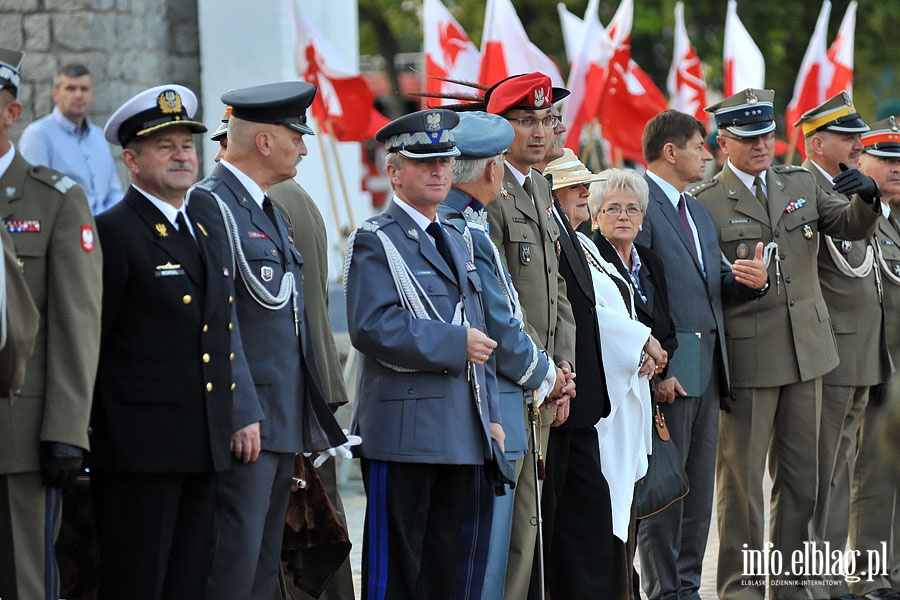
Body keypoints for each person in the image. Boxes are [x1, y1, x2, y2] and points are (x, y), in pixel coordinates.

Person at [691, 88, 883, 600]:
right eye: (749, 138)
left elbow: (849, 227)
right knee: (743, 486)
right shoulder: (705, 202)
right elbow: (701, 282)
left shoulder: (796, 182)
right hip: (752, 357)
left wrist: (868, 197)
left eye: (767, 135)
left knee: (804, 481)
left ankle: (796, 588)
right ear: (723, 142)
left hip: (809, 354)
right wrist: (733, 283)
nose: (761, 145)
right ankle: (741, 589)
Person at [90, 84, 260, 599]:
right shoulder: (112, 233)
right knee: (139, 582)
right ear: (131, 160)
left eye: (187, 144)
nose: (182, 155)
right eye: (165, 146)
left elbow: (218, 332)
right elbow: (91, 343)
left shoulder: (202, 228)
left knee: (188, 582)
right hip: (139, 450)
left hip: (201, 443)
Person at [187, 81, 347, 600]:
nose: (303, 146)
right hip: (247, 422)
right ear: (263, 142)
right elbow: (215, 319)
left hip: (279, 421)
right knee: (230, 567)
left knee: (261, 567)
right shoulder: (211, 206)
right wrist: (239, 407)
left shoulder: (267, 209)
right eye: (295, 135)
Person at [343, 108, 502, 599]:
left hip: (460, 429)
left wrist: (491, 414)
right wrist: (454, 344)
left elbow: (480, 328)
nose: (439, 171)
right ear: (394, 172)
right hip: (405, 432)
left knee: (445, 569)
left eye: (445, 161)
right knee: (396, 572)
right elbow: (372, 326)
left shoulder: (457, 236)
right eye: (424, 161)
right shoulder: (377, 239)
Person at [634, 109, 768, 600]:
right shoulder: (639, 205)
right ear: (671, 152)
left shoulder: (695, 211)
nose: (707, 154)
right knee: (666, 487)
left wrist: (748, 283)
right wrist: (655, 369)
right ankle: (665, 590)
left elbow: (714, 282)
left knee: (696, 488)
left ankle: (688, 586)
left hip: (709, 362)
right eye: (699, 145)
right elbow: (637, 290)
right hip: (670, 362)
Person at [437, 111, 561, 600]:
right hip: (496, 408)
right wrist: (548, 374)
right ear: (492, 171)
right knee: (485, 560)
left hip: (496, 405)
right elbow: (503, 327)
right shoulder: (464, 230)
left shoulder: (464, 224)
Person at [0, 46, 103, 600]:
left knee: (26, 583)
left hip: (19, 437)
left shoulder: (55, 200)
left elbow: (76, 325)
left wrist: (65, 432)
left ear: (12, 113)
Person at [482, 72, 577, 600]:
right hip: (508, 381)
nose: (539, 132)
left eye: (547, 120)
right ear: (498, 126)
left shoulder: (541, 186)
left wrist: (563, 370)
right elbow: (495, 302)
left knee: (530, 522)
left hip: (543, 381)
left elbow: (555, 286)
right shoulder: (489, 191)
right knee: (509, 525)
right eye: (525, 121)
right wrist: (542, 375)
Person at [793, 93, 892, 600]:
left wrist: (869, 196)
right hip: (828, 350)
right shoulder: (802, 185)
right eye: (847, 138)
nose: (858, 145)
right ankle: (818, 582)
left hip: (863, 351)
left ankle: (836, 581)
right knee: (821, 473)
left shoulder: (847, 187)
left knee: (842, 471)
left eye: (857, 137)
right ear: (816, 142)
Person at [581, 165, 675, 598]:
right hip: (610, 399)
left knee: (640, 502)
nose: (623, 216)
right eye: (613, 208)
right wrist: (640, 346)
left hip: (649, 388)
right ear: (595, 215)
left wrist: (663, 364)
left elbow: (666, 325)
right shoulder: (590, 257)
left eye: (632, 209)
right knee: (612, 505)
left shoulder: (649, 260)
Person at [848, 118, 900, 600]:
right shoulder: (859, 216)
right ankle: (870, 575)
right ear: (860, 161)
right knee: (874, 474)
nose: (896, 169)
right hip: (877, 360)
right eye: (886, 159)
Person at [19, 63, 123, 214]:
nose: (78, 95)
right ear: (55, 94)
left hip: (106, 230)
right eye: (71, 88)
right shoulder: (38, 135)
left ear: (92, 94)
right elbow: (36, 195)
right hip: (65, 232)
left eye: (84, 89)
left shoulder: (100, 136)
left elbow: (114, 192)